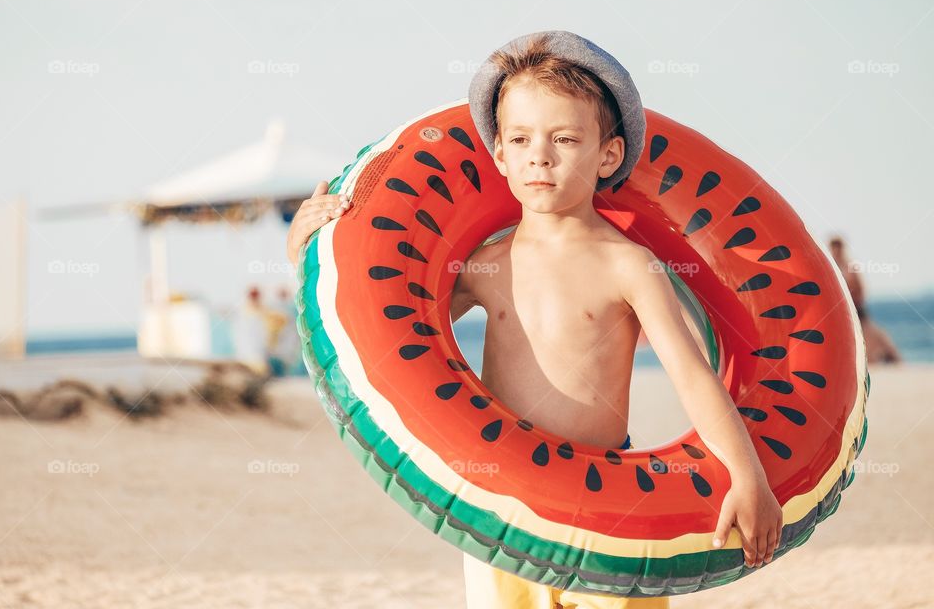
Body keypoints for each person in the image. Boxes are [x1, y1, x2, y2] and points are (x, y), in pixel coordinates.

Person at [286, 30, 783, 609]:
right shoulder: (485, 267)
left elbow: (693, 376)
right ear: (499, 155)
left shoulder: (629, 265)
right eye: (520, 139)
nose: (539, 155)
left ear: (609, 156)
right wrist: (304, 255)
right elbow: (388, 336)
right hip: (504, 512)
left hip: (609, 512)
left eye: (565, 138)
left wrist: (747, 474)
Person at [828, 235, 901, 364]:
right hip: (839, 308)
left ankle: (890, 356)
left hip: (854, 306)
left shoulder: (849, 266)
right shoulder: (831, 264)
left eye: (838, 248)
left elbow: (861, 287)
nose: (836, 251)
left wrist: (856, 302)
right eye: (834, 248)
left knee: (868, 333)